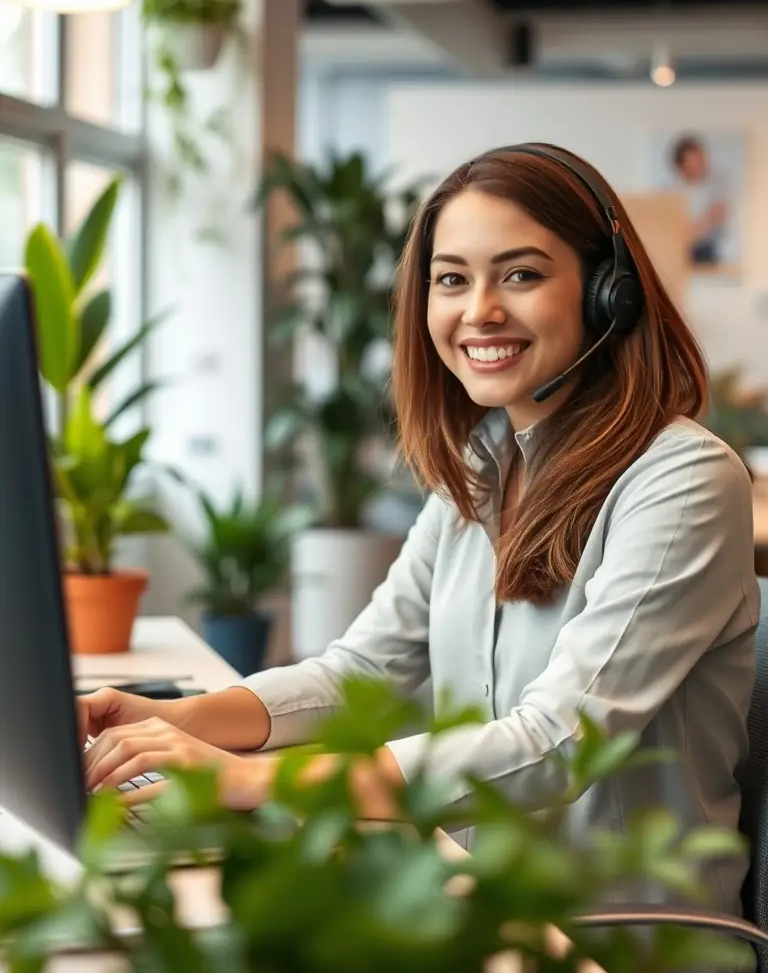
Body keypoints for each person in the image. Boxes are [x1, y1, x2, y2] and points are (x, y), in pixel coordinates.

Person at [80, 143, 759, 916]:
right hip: (473, 900)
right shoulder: (483, 463)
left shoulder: (682, 480)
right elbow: (359, 671)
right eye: (452, 280)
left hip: (620, 934)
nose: (479, 311)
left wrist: (246, 778)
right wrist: (181, 720)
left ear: (610, 294)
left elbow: (560, 742)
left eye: (521, 274)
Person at [668, 133, 730, 266]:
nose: (701, 163)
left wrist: (690, 232)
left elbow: (716, 216)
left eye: (701, 158)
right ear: (682, 163)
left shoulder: (714, 187)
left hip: (704, 251)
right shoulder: (671, 190)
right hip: (675, 250)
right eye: (695, 159)